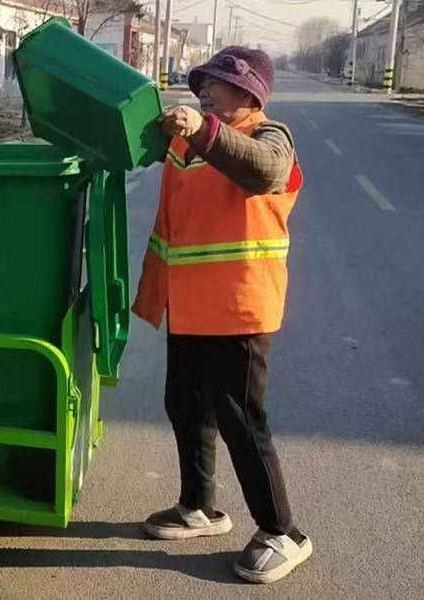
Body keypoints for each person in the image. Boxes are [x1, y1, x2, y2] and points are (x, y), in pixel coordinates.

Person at [132, 47, 312, 584]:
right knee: (185, 406)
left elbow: (266, 173)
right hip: (190, 306)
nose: (205, 89)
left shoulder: (269, 136)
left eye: (218, 83)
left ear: (249, 93)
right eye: (203, 82)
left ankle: (283, 532)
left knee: (241, 421)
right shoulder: (188, 146)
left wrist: (203, 130)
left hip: (238, 308)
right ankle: (199, 508)